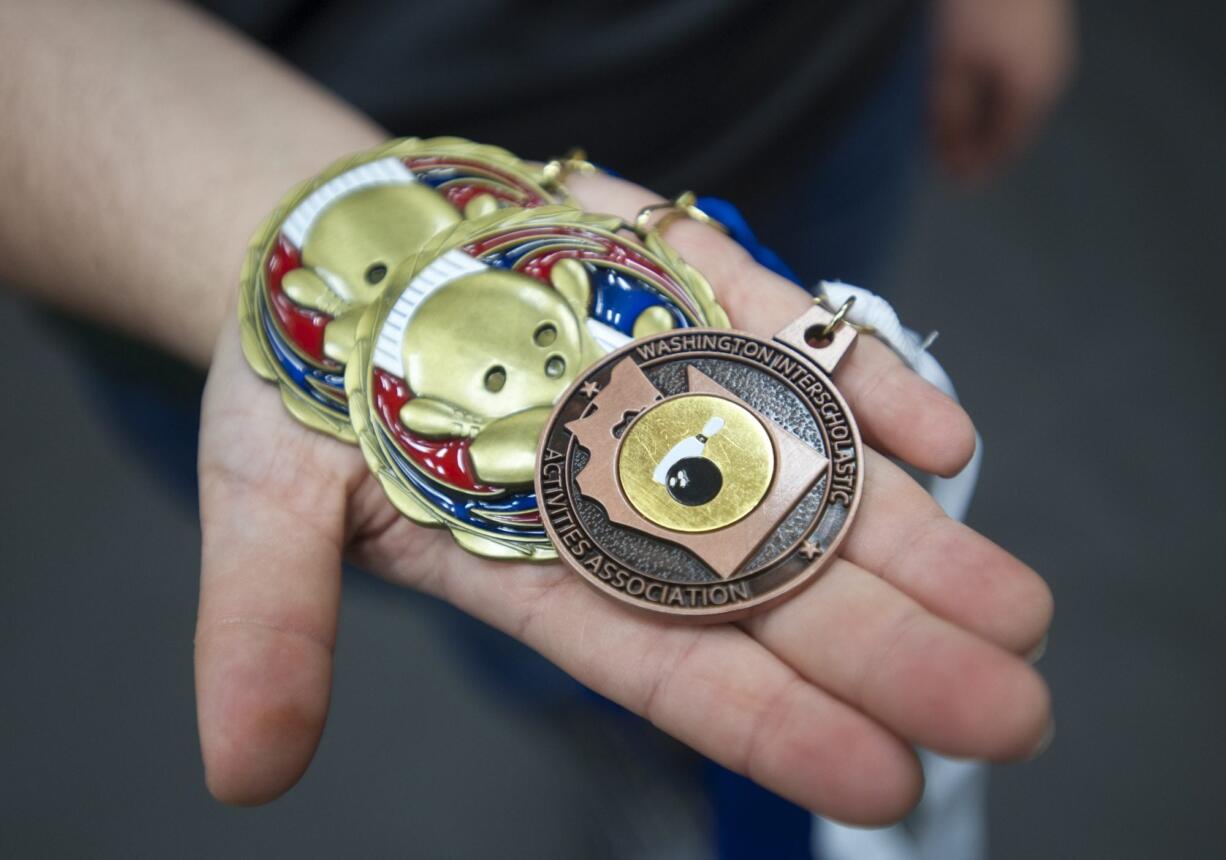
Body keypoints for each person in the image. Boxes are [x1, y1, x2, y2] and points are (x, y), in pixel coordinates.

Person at [0, 0, 1072, 856]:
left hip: (817, 76)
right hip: (169, 214)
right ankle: (635, 744)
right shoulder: (452, 435)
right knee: (565, 649)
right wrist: (231, 204)